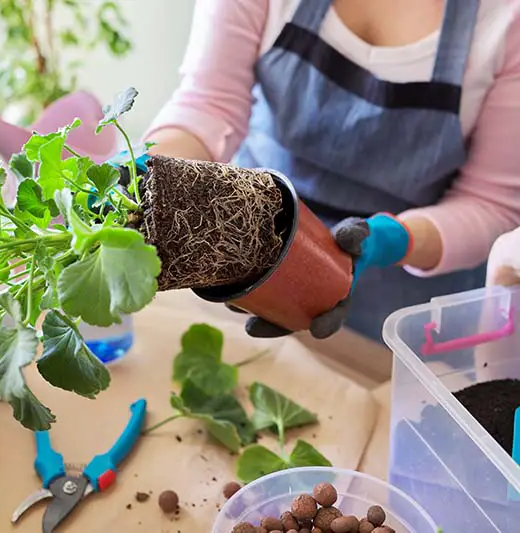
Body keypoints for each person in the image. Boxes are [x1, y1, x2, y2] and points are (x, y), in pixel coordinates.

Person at [142, 0, 520, 342]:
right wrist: (149, 178)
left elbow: (490, 203)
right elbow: (209, 102)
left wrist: (393, 239)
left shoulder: (506, 21)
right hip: (250, 247)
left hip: (400, 305)